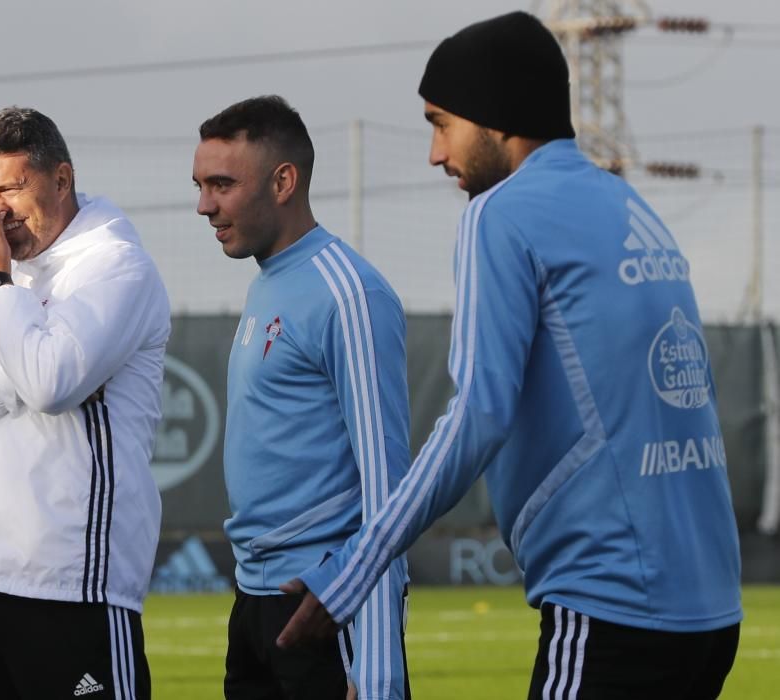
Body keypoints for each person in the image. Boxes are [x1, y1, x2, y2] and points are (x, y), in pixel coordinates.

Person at [277, 12, 743, 700]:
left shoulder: (501, 212)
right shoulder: (627, 203)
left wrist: (355, 567)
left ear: (494, 117)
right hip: (710, 608)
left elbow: (477, 415)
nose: (435, 153)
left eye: (440, 123)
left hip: (611, 602)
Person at [0, 106, 169, 700]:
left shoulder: (115, 265)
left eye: (10, 188)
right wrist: (10, 373)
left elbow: (50, 384)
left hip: (72, 580)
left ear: (62, 180)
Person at [192, 95, 411, 700]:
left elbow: (391, 486)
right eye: (201, 185)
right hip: (256, 599)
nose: (204, 205)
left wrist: (346, 602)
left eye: (222, 184)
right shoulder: (269, 283)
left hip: (326, 601)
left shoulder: (349, 293)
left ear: (283, 181)